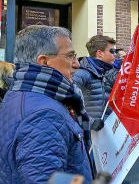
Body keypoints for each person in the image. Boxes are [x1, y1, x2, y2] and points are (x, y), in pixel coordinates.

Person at [0, 26, 93, 183]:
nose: (76, 64)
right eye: (70, 56)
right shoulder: (45, 113)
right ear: (44, 61)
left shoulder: (20, 93)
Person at [73, 35, 116, 121]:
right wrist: (91, 122)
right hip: (89, 131)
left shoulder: (107, 72)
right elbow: (71, 104)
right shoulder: (82, 74)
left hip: (105, 130)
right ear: (100, 53)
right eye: (112, 51)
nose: (114, 55)